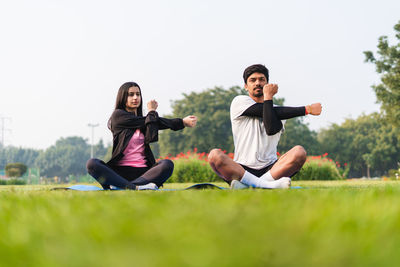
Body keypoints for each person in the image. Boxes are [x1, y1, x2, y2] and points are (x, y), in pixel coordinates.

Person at [208, 64, 322, 189]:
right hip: (242, 169)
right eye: (253, 80)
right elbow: (260, 109)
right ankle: (266, 185)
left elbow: (271, 129)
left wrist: (268, 97)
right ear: (246, 86)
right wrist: (307, 109)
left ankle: (248, 186)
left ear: (267, 84)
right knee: (214, 156)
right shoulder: (239, 102)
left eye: (262, 80)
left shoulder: (280, 111)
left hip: (271, 169)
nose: (257, 83)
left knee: (299, 152)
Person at [86, 81, 197, 190]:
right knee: (92, 163)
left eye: (138, 94)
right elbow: (154, 120)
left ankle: (125, 186)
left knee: (167, 164)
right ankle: (133, 187)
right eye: (131, 95)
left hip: (144, 174)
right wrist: (152, 111)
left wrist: (182, 122)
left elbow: (156, 127)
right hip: (119, 173)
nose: (135, 98)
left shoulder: (147, 121)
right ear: (123, 97)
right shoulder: (118, 115)